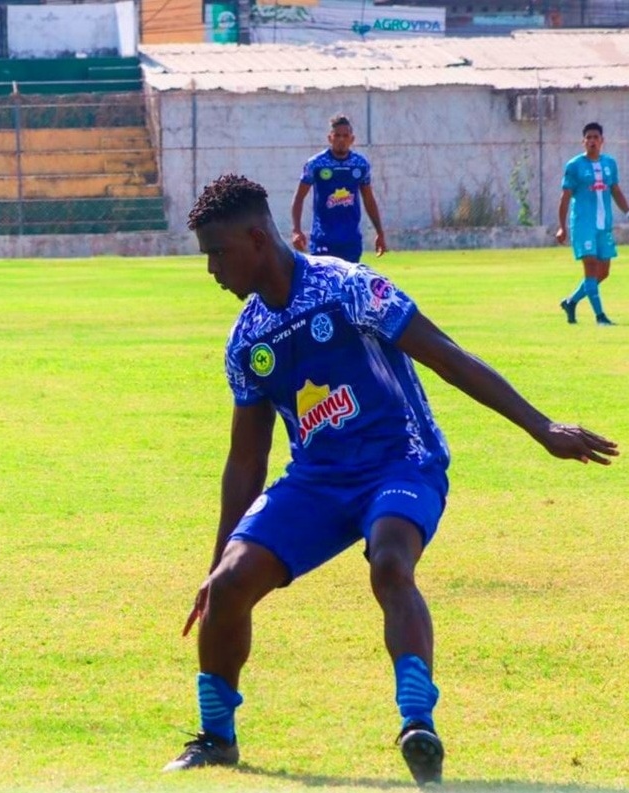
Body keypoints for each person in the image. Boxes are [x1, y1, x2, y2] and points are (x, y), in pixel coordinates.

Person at [166, 174, 616, 786]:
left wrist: (542, 427)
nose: (212, 270)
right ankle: (216, 739)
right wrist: (217, 563)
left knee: (390, 561)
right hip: (318, 480)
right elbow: (246, 461)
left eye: (217, 253)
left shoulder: (348, 288)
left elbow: (446, 355)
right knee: (228, 587)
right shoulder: (247, 340)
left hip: (400, 460)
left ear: (256, 239)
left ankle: (417, 724)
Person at [556, 122, 628, 326]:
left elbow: (615, 190)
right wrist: (562, 226)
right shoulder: (574, 166)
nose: (592, 141)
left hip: (603, 225)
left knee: (603, 272)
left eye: (596, 137)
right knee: (590, 266)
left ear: (602, 140)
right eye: (588, 137)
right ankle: (600, 317)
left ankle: (571, 302)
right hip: (583, 225)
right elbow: (565, 197)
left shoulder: (609, 164)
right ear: (583, 141)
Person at [291, 114, 387, 263]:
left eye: (345, 136)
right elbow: (299, 198)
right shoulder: (316, 164)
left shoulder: (360, 164)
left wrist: (379, 232)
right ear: (330, 138)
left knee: (349, 278)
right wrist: (296, 230)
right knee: (324, 277)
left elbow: (368, 199)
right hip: (322, 239)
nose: (341, 140)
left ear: (352, 139)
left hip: (350, 240)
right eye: (337, 135)